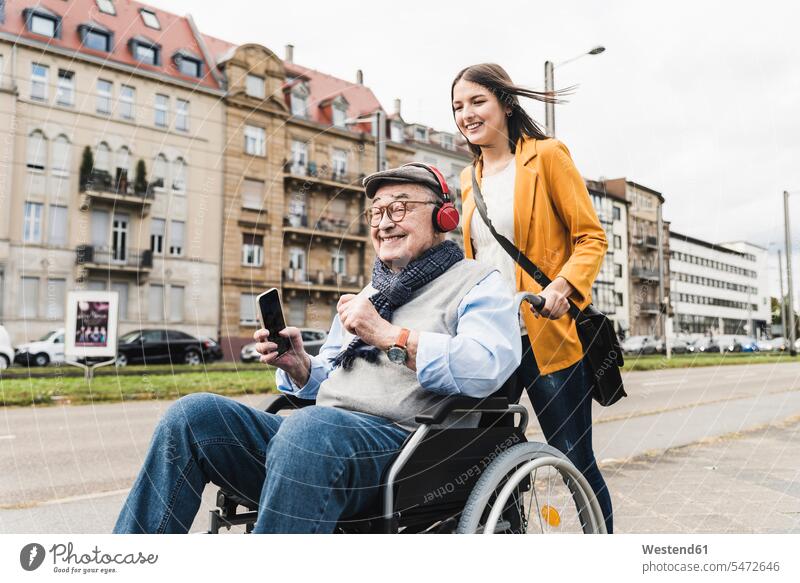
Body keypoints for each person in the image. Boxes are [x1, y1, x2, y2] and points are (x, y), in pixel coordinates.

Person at [113, 163, 521, 534]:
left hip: (408, 453)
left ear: (442, 217)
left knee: (312, 428)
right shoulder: (370, 293)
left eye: (398, 209)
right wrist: (301, 367)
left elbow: (486, 366)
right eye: (376, 212)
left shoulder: (479, 283)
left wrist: (388, 335)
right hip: (317, 443)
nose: (383, 223)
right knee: (193, 415)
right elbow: (333, 375)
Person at [451, 63, 614, 533]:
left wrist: (562, 288)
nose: (466, 114)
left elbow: (590, 237)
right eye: (458, 107)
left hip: (547, 336)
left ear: (505, 102)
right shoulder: (468, 179)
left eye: (477, 101)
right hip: (489, 342)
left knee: (574, 457)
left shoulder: (546, 157)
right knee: (484, 464)